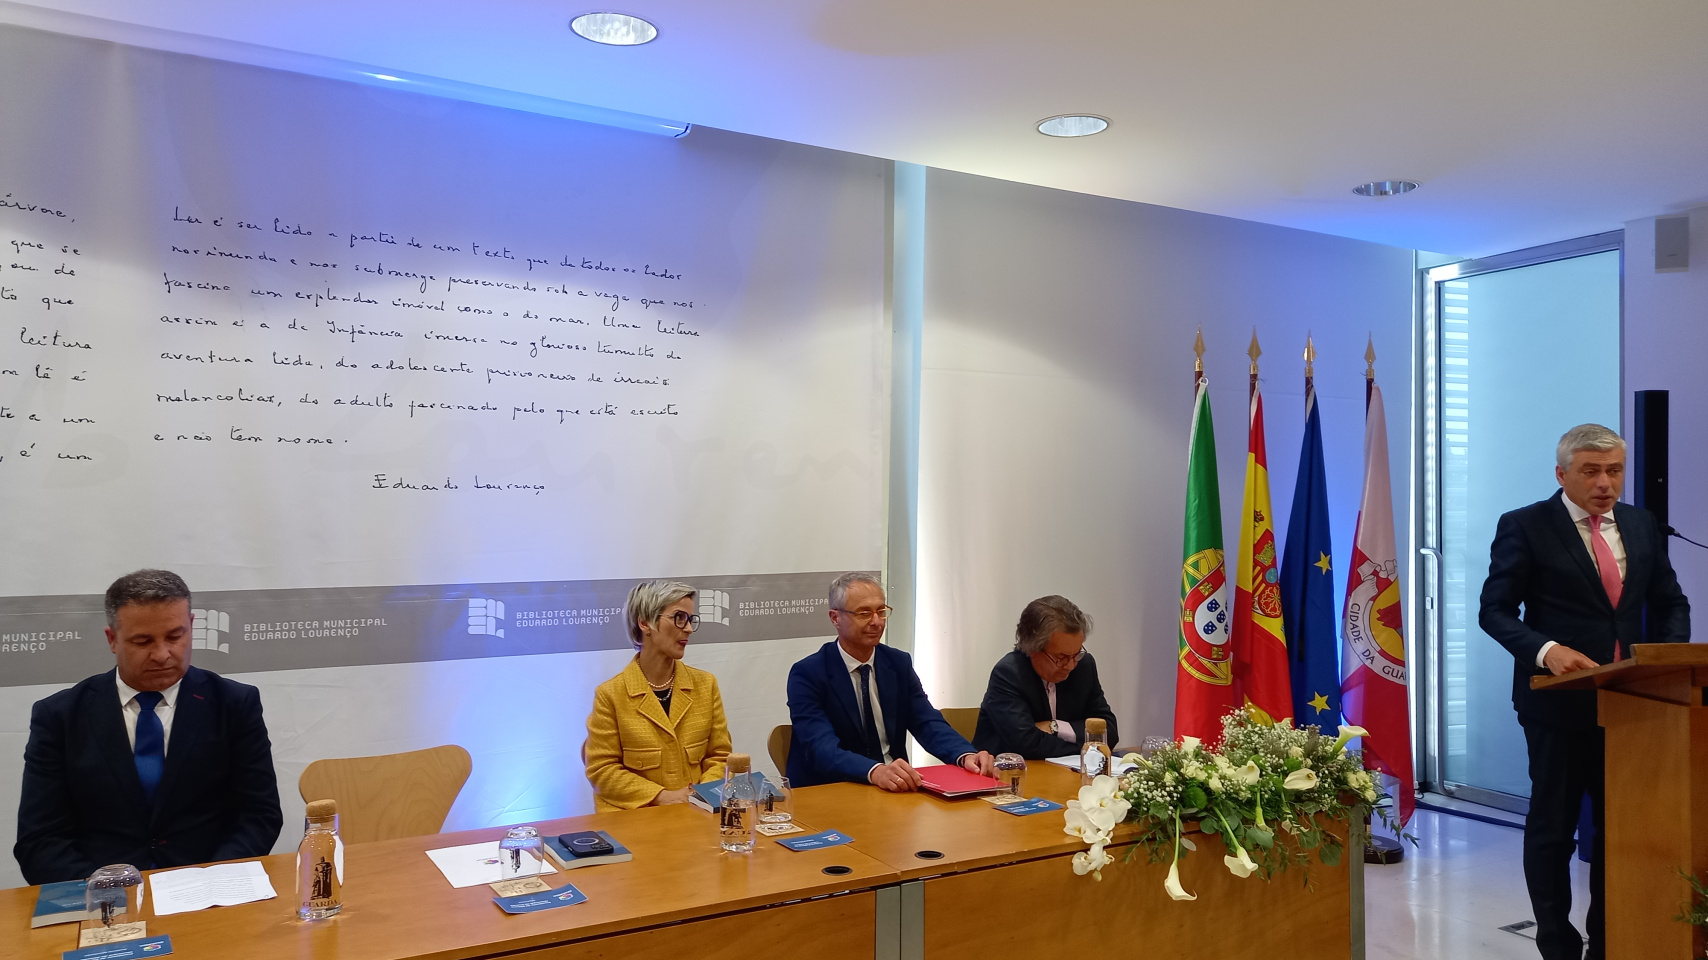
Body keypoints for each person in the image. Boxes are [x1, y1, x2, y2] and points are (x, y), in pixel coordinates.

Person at [1479, 424, 1690, 960]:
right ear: (1562, 474)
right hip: (1559, 705)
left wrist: (1660, 662)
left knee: (1621, 829)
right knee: (1555, 829)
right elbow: (1495, 611)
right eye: (1591, 471)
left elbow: (1670, 602)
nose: (1605, 483)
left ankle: (1611, 938)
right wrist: (1546, 650)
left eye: (1614, 470)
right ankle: (1557, 943)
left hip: (1633, 707)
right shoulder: (1526, 525)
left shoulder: (1641, 525)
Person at [14, 570, 283, 885]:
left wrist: (210, 884)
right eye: (143, 641)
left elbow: (258, 816)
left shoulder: (235, 704)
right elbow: (41, 839)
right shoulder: (59, 716)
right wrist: (105, 893)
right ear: (112, 640)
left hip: (209, 891)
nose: (162, 654)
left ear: (192, 626)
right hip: (100, 898)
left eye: (174, 636)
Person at [785, 572, 995, 790]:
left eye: (881, 611)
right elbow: (822, 748)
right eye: (864, 613)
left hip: (893, 788)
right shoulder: (808, 673)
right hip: (832, 789)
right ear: (835, 618)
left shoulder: (897, 663)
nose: (876, 622)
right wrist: (875, 771)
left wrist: (965, 755)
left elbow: (926, 722)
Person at [584, 580, 732, 811]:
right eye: (679, 618)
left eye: (690, 620)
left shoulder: (706, 685)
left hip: (698, 816)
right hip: (638, 821)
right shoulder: (610, 695)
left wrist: (701, 795)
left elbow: (720, 756)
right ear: (645, 623)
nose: (689, 629)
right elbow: (602, 770)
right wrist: (662, 796)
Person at [972, 595, 1119, 759]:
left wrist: (1055, 728)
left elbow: (1109, 732)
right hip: (1008, 777)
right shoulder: (1009, 674)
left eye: (1076, 654)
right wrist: (1088, 747)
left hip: (1064, 774)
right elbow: (1026, 745)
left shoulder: (1084, 666)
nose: (1071, 665)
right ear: (1033, 649)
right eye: (1061, 658)